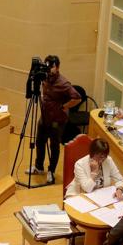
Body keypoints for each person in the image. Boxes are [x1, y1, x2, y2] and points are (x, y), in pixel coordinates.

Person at [26, 55, 81, 184]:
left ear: (57, 67)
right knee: (40, 141)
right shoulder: (44, 78)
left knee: (54, 146)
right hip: (44, 117)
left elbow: (77, 98)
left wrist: (64, 106)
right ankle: (39, 167)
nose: (49, 69)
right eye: (48, 66)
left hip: (57, 120)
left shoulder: (63, 83)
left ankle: (51, 171)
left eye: (52, 66)